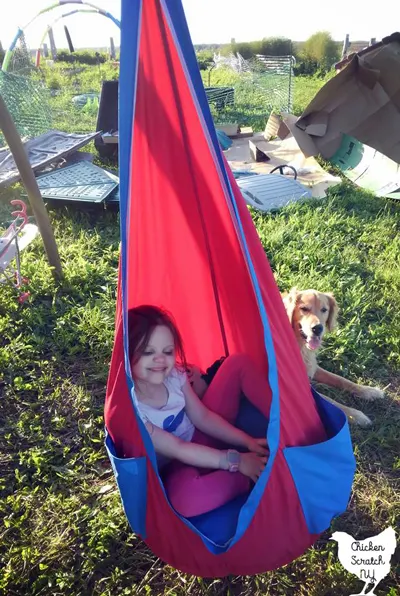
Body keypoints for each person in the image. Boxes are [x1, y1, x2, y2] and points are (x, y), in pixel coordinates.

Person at [128, 304, 272, 518]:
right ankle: (255, 476)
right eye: (148, 352)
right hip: (180, 464)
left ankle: (287, 422)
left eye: (167, 351)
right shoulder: (136, 409)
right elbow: (179, 448)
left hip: (201, 436)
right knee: (184, 500)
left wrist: (247, 441)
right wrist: (238, 461)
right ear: (127, 355)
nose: (160, 360)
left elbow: (202, 417)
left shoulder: (174, 376)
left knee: (237, 364)